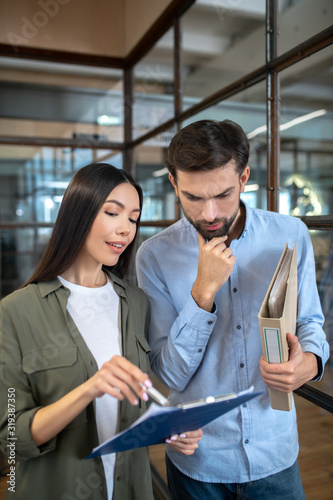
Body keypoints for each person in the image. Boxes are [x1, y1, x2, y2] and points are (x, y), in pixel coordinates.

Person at [136, 120, 330, 499]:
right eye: (192, 197)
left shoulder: (290, 233)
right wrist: (202, 291)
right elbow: (171, 375)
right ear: (174, 184)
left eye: (222, 194)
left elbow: (310, 322)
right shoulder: (154, 256)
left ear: (243, 178)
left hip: (275, 452)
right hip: (200, 460)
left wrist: (309, 362)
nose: (209, 213)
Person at [0, 163, 202, 500]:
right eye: (113, 213)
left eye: (133, 218)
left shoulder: (136, 303)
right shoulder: (15, 311)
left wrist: (169, 428)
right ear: (77, 214)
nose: (126, 229)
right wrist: (87, 390)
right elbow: (9, 440)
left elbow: (134, 403)